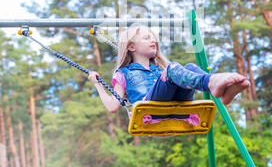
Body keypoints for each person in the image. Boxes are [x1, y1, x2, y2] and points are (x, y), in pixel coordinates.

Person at [88, 26, 250, 124]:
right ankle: (212, 82)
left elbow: (172, 75)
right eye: (146, 38)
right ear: (131, 47)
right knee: (172, 68)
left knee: (190, 67)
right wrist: (98, 85)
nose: (153, 41)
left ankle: (219, 87)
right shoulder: (123, 73)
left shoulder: (160, 70)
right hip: (151, 111)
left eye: (153, 38)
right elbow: (112, 106)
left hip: (177, 108)